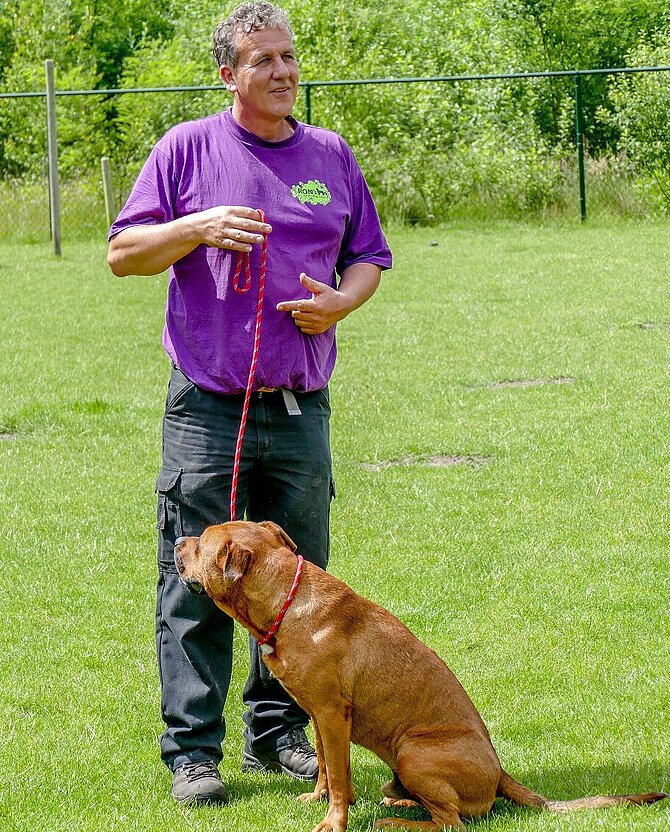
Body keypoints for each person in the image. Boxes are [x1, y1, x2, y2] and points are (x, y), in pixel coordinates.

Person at [107, 0, 392, 806]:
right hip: (208, 409)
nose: (283, 71)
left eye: (289, 56)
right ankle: (194, 753)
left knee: (295, 585)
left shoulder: (330, 155)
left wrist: (342, 303)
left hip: (301, 409)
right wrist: (195, 226)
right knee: (196, 580)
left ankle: (278, 735)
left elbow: (369, 256)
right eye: (263, 59)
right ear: (228, 74)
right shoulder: (186, 148)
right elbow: (123, 254)